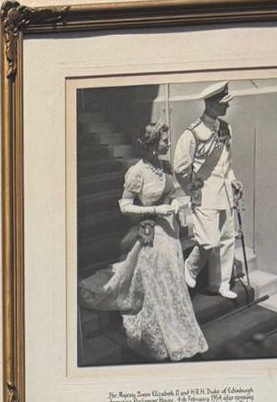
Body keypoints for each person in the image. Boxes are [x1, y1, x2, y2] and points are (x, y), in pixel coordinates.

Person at [79, 122, 208, 362]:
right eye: (165, 140)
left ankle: (175, 317)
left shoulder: (165, 166)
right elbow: (124, 205)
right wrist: (155, 209)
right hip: (152, 230)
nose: (169, 143)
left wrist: (176, 204)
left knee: (172, 275)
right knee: (159, 272)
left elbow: (173, 193)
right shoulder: (137, 171)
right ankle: (160, 322)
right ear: (152, 144)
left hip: (170, 230)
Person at [174, 82, 243, 300]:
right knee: (208, 241)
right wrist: (192, 188)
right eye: (223, 103)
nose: (227, 106)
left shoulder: (226, 129)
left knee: (227, 239)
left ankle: (220, 283)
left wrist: (232, 180)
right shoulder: (193, 133)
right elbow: (180, 168)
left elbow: (227, 164)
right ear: (211, 105)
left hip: (225, 193)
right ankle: (190, 267)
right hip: (204, 195)